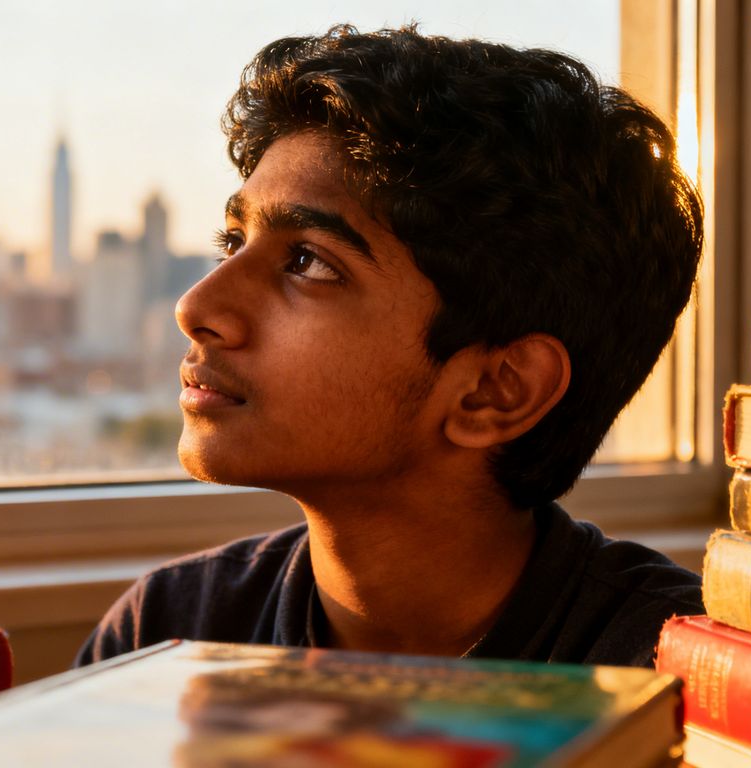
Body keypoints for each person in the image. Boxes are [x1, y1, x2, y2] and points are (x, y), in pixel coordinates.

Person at [77, 25, 704, 669]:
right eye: (234, 241)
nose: (197, 307)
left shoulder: (682, 684)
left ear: (496, 390)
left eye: (307, 262)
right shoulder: (169, 634)